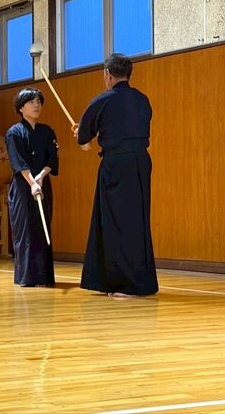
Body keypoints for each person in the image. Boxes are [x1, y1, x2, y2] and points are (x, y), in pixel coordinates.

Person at [74, 53, 158, 297]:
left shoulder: (103, 100)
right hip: (141, 162)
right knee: (136, 219)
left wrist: (80, 134)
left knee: (116, 222)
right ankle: (127, 281)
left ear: (107, 74)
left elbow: (84, 137)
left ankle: (127, 285)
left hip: (116, 165)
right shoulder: (142, 100)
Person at [6, 88, 59, 287]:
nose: (36, 105)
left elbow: (52, 159)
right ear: (21, 108)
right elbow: (18, 162)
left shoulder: (47, 131)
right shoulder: (14, 132)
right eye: (31, 102)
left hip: (42, 183)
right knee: (26, 229)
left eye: (39, 102)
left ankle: (44, 277)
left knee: (42, 228)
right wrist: (32, 182)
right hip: (23, 186)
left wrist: (41, 177)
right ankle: (26, 277)